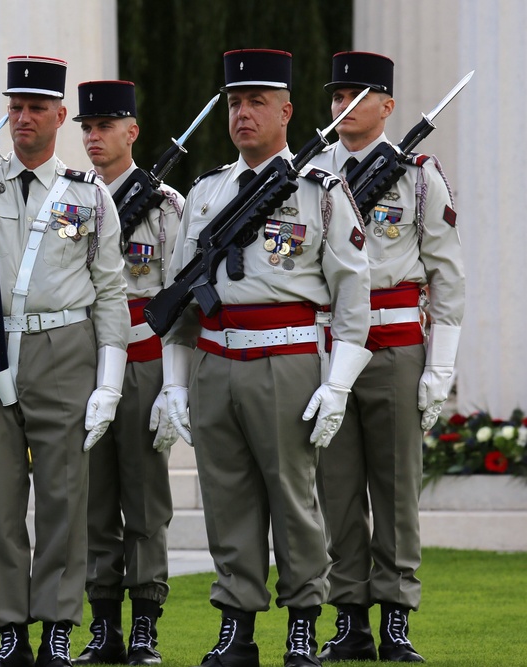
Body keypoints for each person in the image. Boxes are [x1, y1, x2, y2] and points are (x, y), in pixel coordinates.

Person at [158, 49, 372, 667]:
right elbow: (178, 301)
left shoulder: (322, 192)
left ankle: (303, 621)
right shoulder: (204, 194)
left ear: (286, 111)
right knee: (227, 500)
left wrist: (336, 385)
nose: (243, 114)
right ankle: (237, 626)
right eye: (234, 103)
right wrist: (175, 384)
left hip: (286, 361)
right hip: (215, 360)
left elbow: (352, 294)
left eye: (256, 102)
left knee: (293, 499)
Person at [0, 56, 130, 667]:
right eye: (14, 107)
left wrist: (110, 382)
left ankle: (58, 628)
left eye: (36, 108)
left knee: (66, 498)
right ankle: (11, 629)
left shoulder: (86, 195)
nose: (22, 117)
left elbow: (111, 289)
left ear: (61, 117)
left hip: (62, 348)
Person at [310, 52, 465, 664]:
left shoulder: (420, 176)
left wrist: (441, 366)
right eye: (335, 95)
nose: (343, 105)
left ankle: (396, 618)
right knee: (337, 487)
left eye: (357, 93)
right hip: (325, 349)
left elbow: (446, 275)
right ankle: (350, 619)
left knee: (396, 487)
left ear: (387, 106)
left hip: (395, 343)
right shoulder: (310, 172)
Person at [71, 80, 183, 666]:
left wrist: (172, 383)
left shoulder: (166, 205)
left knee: (144, 503)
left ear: (132, 131)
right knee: (92, 504)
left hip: (141, 364)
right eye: (87, 127)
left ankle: (144, 626)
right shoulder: (66, 200)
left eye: (105, 126)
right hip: (82, 365)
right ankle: (104, 627)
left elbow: (174, 299)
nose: (94, 137)